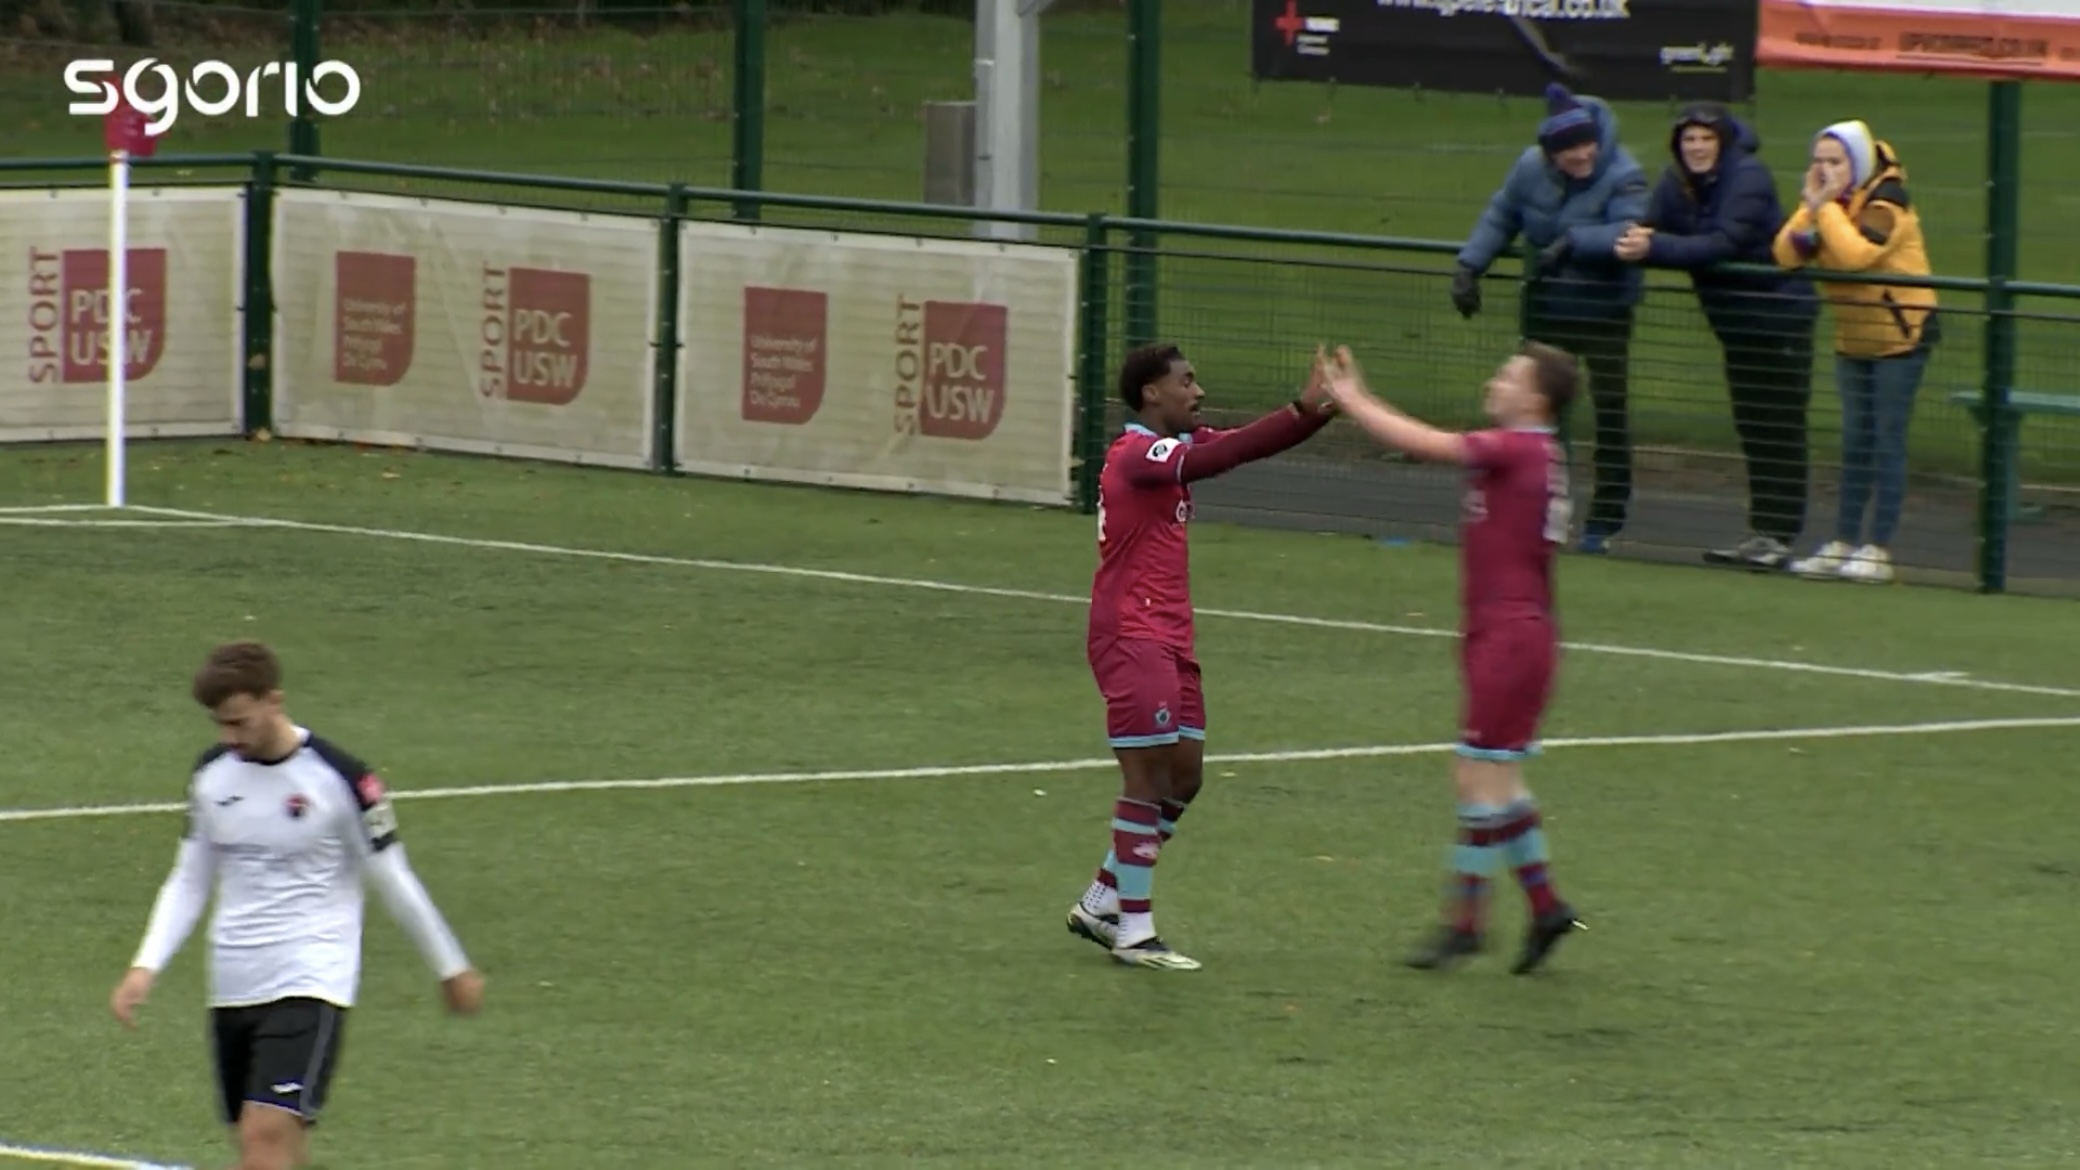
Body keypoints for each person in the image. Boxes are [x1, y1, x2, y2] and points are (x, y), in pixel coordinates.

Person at [110, 641, 484, 1170]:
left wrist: (450, 966)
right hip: (233, 980)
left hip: (311, 976)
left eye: (239, 722)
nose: (230, 737)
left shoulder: (341, 779)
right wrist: (145, 967)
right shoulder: (212, 776)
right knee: (265, 1144)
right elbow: (190, 880)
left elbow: (392, 877)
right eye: (221, 725)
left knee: (265, 1137)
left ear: (274, 701)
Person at [1065, 343, 1337, 971]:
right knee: (1148, 777)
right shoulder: (1137, 453)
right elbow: (1216, 455)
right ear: (1150, 394)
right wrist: (1301, 404)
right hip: (1131, 633)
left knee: (1185, 776)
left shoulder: (1170, 451)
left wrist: (1316, 413)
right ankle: (1134, 931)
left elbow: (1243, 443)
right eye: (1186, 382)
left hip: (1169, 636)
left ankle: (1100, 899)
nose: (1199, 391)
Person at [1317, 342, 1586, 975]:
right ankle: (1545, 907)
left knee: (1475, 775)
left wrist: (1354, 399)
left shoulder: (1518, 447)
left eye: (1510, 376)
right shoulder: (1534, 453)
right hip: (1510, 632)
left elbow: (1430, 444)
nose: (1496, 381)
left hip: (1512, 636)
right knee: (1500, 779)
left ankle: (1466, 922)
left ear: (1537, 400)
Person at [1618, 102, 1820, 571]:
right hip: (1735, 327)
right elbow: (1652, 227)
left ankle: (1780, 535)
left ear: (1723, 141)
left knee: (1780, 431)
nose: (1697, 147)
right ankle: (1763, 532)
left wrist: (1653, 248)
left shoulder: (1748, 177)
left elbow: (1721, 243)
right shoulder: (1678, 183)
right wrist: (1624, 240)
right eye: (1689, 139)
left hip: (1779, 320)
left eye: (1706, 139)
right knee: (1753, 429)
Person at [1451, 83, 1648, 555]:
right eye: (1568, 150)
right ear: (1549, 153)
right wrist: (1470, 265)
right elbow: (1503, 213)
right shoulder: (1529, 168)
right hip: (1547, 308)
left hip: (1604, 313)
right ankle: (1540, 514)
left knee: (1610, 418)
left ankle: (1605, 521)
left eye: (1586, 144)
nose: (1581, 156)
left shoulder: (1624, 173)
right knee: (1537, 417)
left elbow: (1630, 228)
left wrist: (1577, 242)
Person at [1772, 120, 1940, 585]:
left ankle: (1878, 547)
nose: (1825, 170)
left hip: (1901, 336)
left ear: (1858, 163)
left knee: (1887, 441)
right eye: (1819, 161)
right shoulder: (1831, 204)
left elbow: (1855, 256)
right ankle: (1843, 541)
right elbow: (1787, 254)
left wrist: (1820, 208)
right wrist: (1813, 210)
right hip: (1853, 338)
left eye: (1836, 161)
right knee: (1855, 443)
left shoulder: (1888, 202)